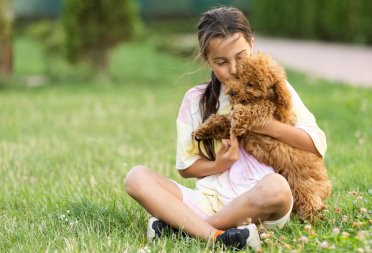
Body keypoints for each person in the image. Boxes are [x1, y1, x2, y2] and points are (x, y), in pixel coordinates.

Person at [125, 6, 326, 251]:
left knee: (277, 187)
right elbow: (186, 167)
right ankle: (221, 235)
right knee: (136, 177)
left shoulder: (273, 85)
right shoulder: (195, 99)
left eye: (240, 57)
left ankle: (186, 229)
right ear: (207, 59)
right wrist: (220, 164)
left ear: (251, 43)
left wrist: (266, 126)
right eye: (221, 62)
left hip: (261, 204)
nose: (233, 69)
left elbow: (315, 143)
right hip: (210, 200)